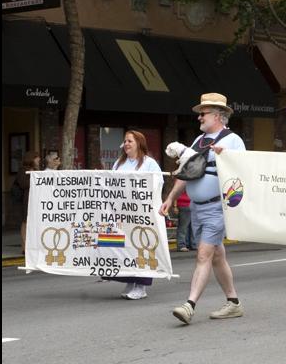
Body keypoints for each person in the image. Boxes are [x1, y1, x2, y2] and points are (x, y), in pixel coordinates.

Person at [159, 93, 246, 325]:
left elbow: (244, 172)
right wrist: (170, 197)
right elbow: (187, 173)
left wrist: (226, 157)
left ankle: (189, 305)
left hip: (217, 207)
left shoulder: (233, 140)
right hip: (197, 208)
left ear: (218, 115)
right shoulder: (198, 141)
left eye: (203, 113)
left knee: (203, 254)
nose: (199, 117)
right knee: (217, 257)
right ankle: (233, 303)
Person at [105, 130, 162, 300]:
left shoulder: (149, 163)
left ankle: (141, 286)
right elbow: (112, 185)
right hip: (122, 213)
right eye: (125, 141)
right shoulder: (119, 163)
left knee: (141, 246)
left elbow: (158, 183)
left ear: (139, 143)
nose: (126, 144)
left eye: (130, 141)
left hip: (141, 213)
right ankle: (130, 280)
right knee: (125, 247)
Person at [15, 150, 41, 255]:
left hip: (35, 199)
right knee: (25, 222)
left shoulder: (36, 170)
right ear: (31, 159)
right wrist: (34, 179)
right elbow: (23, 184)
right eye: (36, 157)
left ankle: (33, 245)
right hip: (26, 201)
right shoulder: (23, 170)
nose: (39, 159)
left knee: (34, 223)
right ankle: (24, 247)